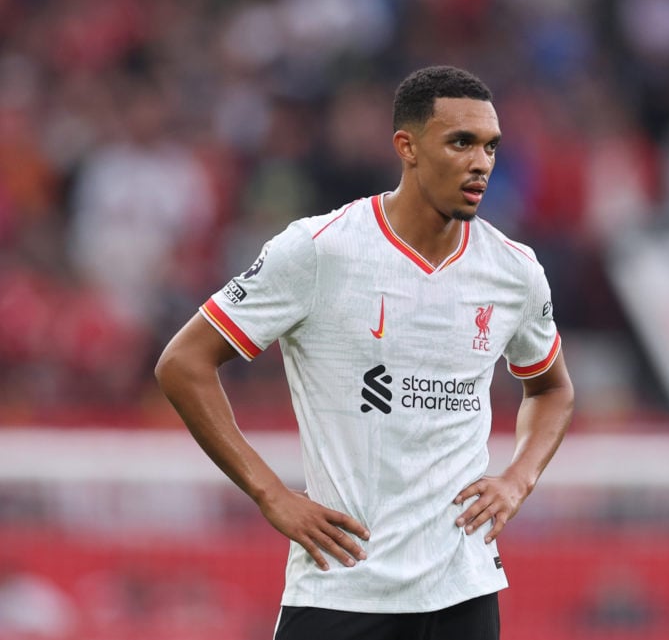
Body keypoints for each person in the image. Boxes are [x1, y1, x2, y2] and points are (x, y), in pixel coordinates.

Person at [154, 65, 574, 640]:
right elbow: (183, 363)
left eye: (491, 147)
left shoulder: (514, 271)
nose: (481, 163)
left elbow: (551, 387)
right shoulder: (319, 250)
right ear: (408, 147)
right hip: (342, 585)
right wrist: (269, 492)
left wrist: (518, 479)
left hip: (463, 589)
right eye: (461, 142)